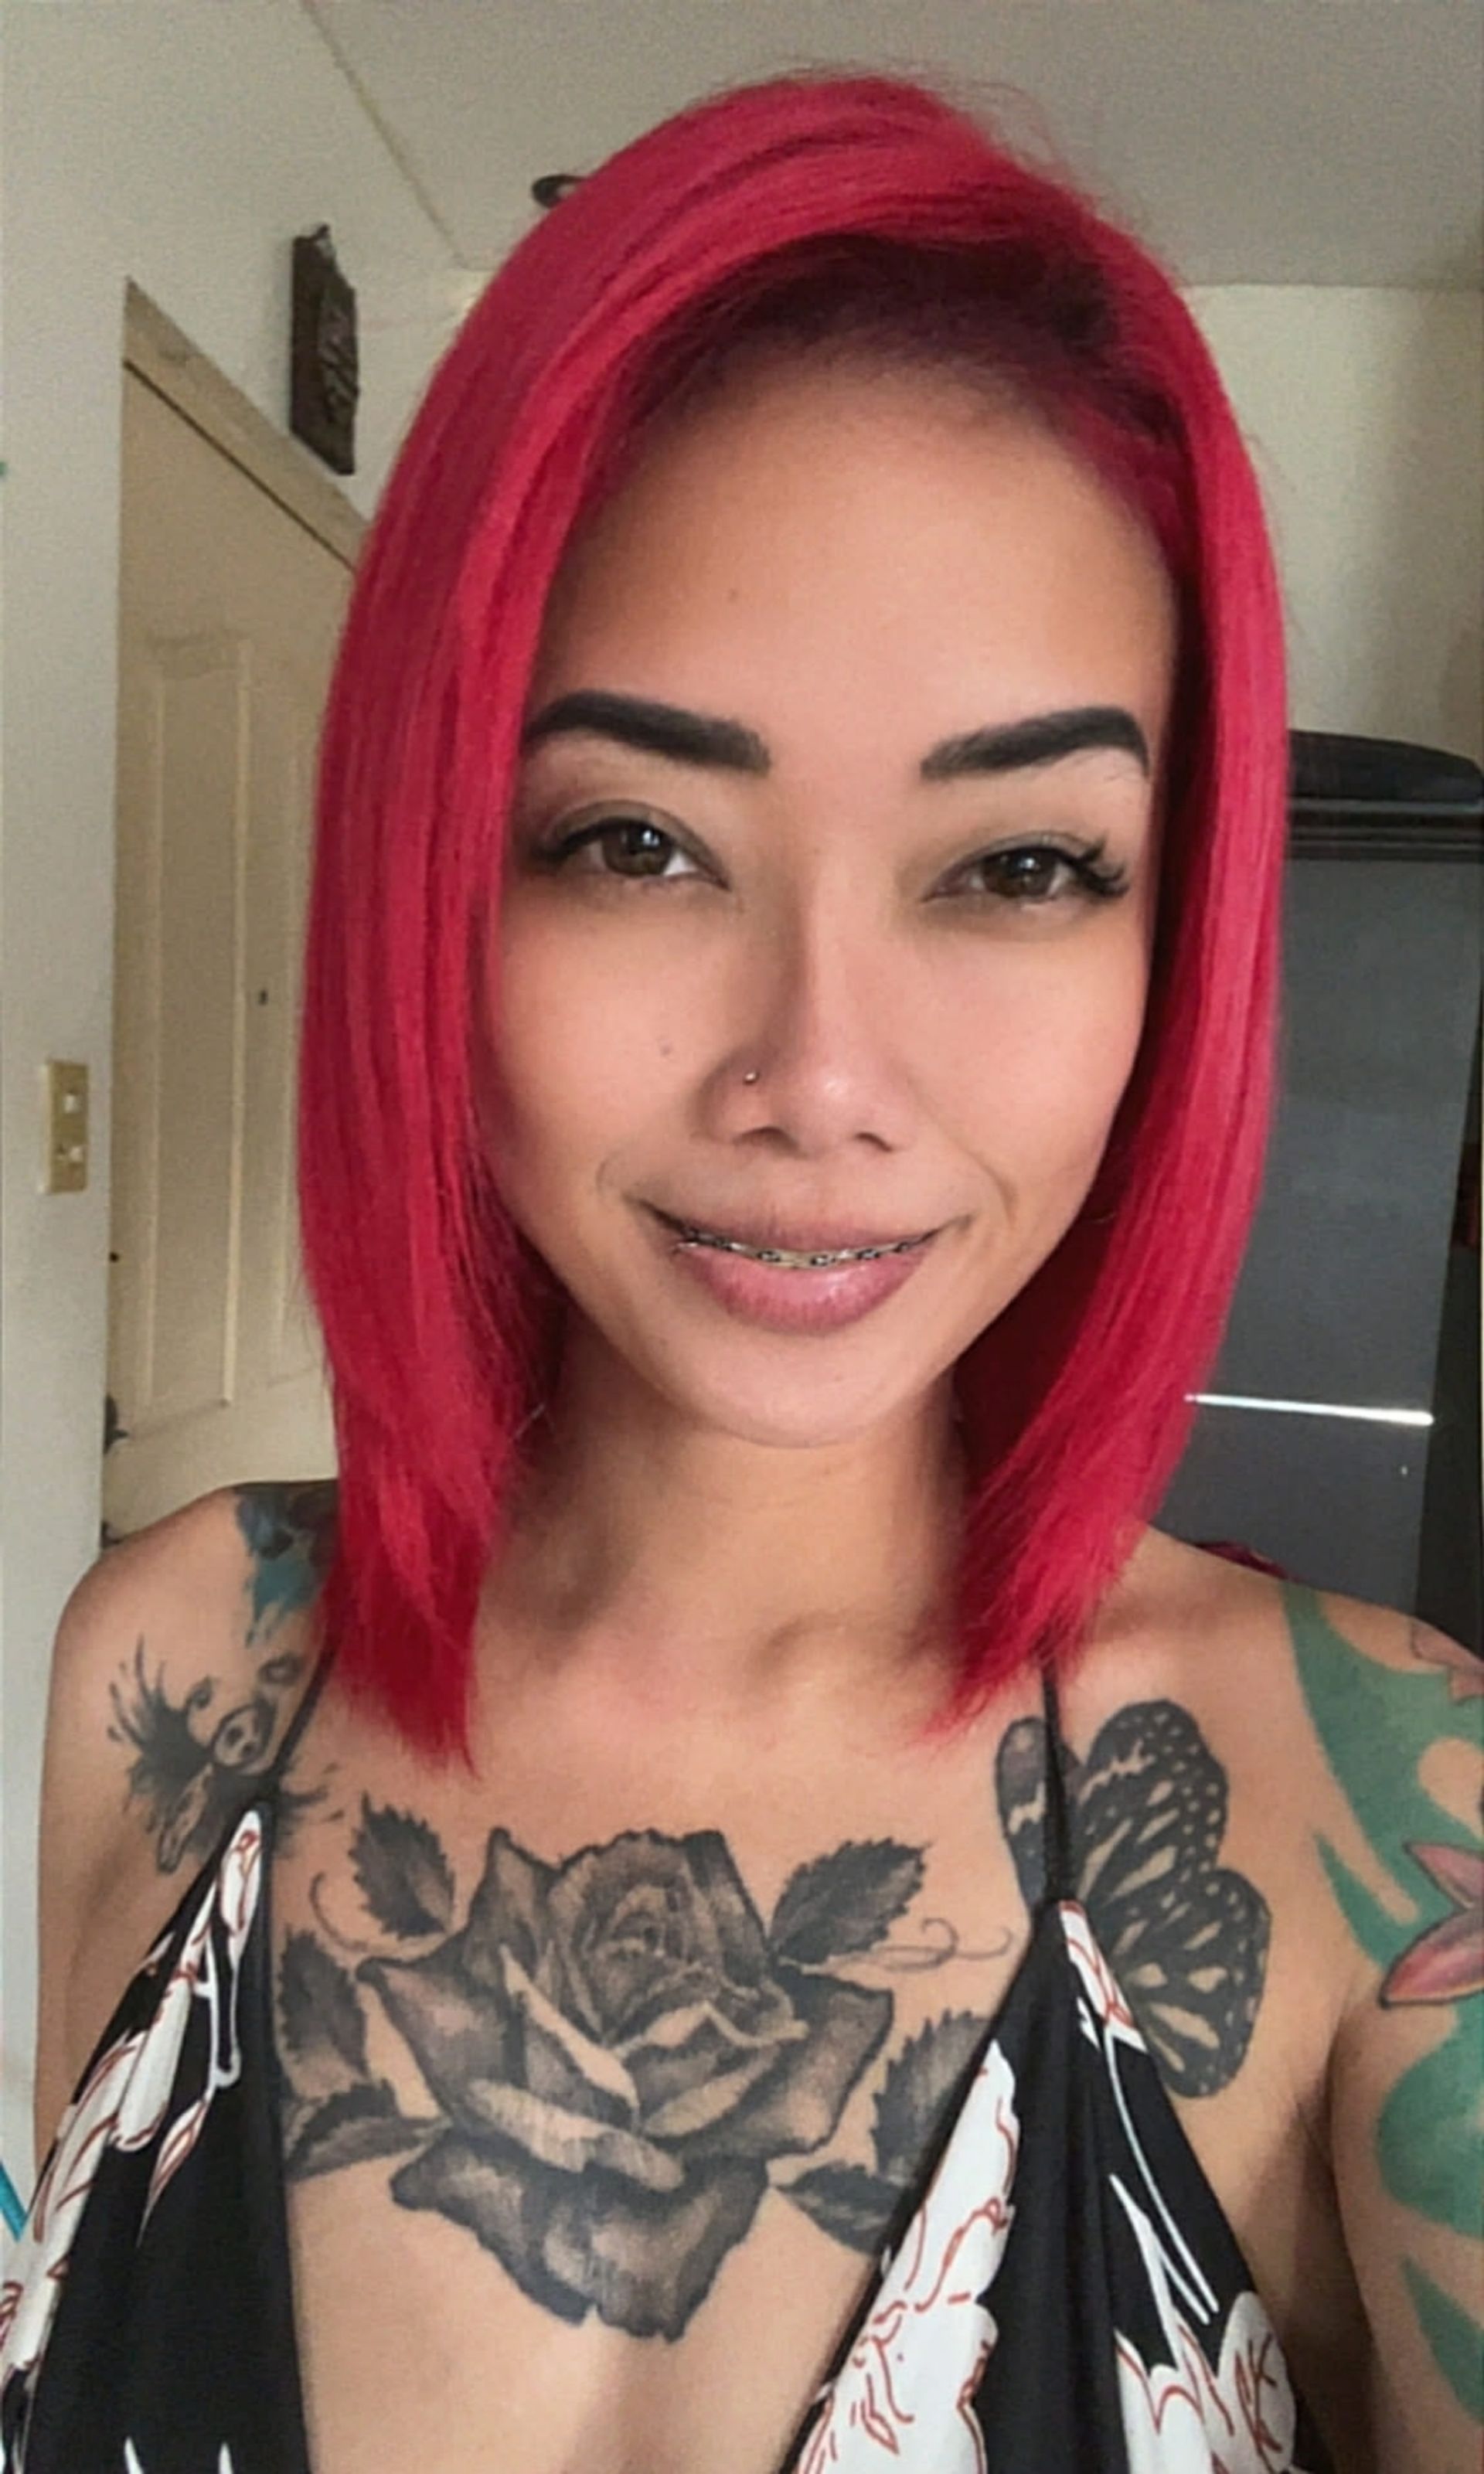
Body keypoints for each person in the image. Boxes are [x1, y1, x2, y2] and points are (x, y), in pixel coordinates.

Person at [2, 69, 1479, 2474]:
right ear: (432, 876)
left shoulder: (1388, 1833)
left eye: (1019, 865)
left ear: (1174, 938)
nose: (819, 1074)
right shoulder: (165, 1672)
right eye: (637, 839)